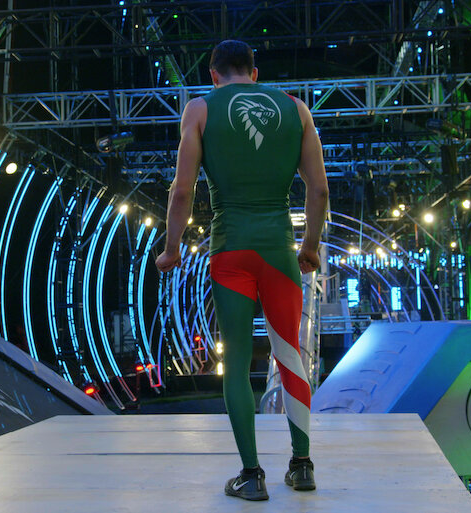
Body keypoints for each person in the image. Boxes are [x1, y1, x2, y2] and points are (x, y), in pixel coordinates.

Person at [155, 40, 329, 501]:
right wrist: (309, 247)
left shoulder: (200, 109)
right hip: (278, 251)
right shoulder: (297, 110)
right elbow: (319, 190)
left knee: (235, 362)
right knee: (290, 355)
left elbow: (182, 191)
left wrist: (171, 249)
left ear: (214, 75)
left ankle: (251, 476)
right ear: (255, 73)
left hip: (230, 250)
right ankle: (302, 466)